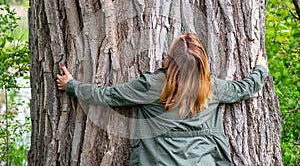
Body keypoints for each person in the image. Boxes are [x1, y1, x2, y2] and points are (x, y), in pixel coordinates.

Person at [57, 33, 268, 165]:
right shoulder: (212, 87)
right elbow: (245, 89)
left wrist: (73, 86)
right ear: (202, 63)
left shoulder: (153, 85)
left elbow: (109, 96)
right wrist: (260, 69)